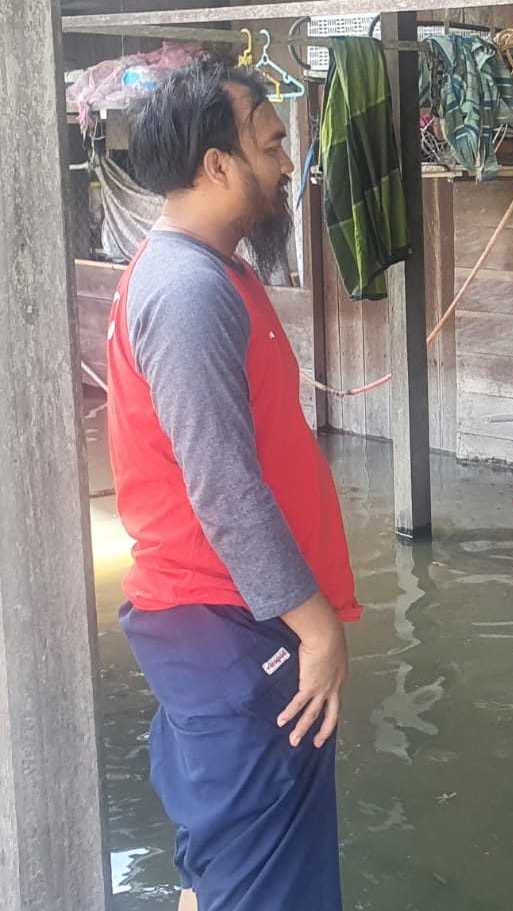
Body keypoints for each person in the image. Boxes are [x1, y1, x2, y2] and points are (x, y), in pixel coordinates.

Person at [106, 58, 360, 911]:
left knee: (225, 867)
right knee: (260, 880)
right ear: (217, 166)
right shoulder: (187, 291)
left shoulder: (217, 271)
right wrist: (315, 625)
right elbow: (223, 486)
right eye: (272, 143)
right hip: (231, 625)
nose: (288, 162)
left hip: (223, 624)